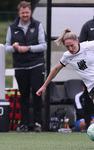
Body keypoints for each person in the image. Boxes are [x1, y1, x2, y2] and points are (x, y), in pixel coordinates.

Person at [5, 1, 47, 132]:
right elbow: (6, 47)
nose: (25, 15)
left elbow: (44, 45)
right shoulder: (12, 27)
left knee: (37, 94)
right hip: (20, 66)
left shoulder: (37, 25)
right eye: (22, 13)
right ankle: (23, 124)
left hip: (37, 65)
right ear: (19, 13)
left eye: (27, 12)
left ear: (30, 12)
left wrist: (28, 48)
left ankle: (37, 123)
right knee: (23, 96)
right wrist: (15, 48)